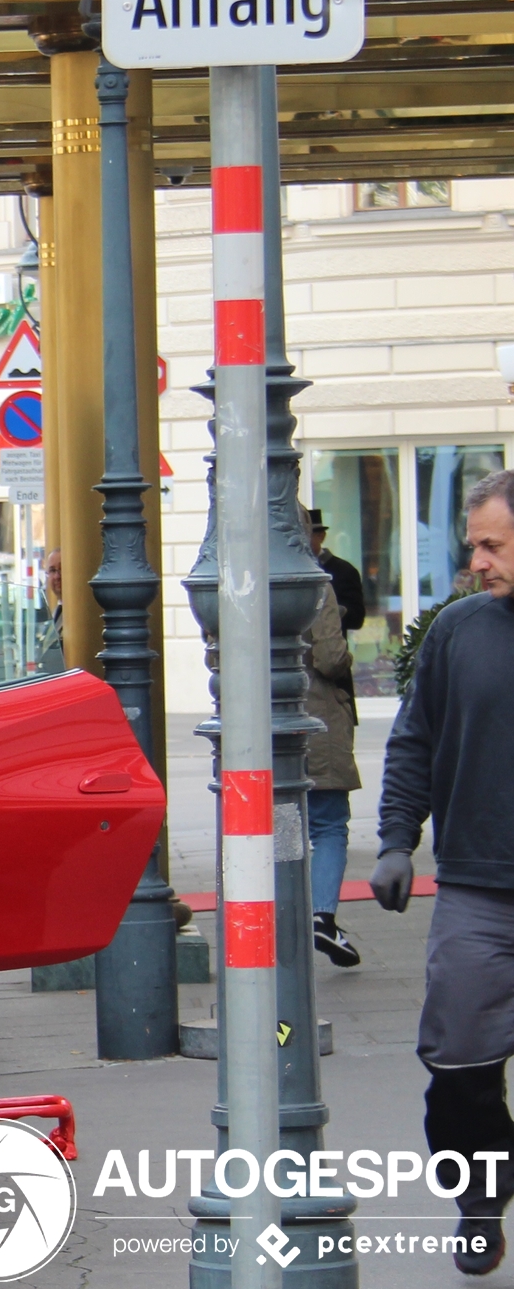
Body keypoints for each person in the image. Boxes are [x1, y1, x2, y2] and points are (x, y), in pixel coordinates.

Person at [371, 467, 514, 1276]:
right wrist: (397, 839)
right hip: (478, 892)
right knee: (459, 1065)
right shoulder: (458, 631)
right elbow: (415, 739)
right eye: (473, 547)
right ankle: (479, 1200)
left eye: (492, 545)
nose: (478, 563)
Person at [304, 582, 361, 966]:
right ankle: (321, 917)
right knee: (328, 825)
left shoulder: (233, 571)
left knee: (264, 828)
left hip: (252, 721)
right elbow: (329, 657)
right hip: (314, 717)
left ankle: (271, 924)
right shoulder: (314, 583)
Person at [309, 506, 368, 632]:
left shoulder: (344, 571)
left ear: (321, 536)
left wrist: (330, 611)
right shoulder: (294, 569)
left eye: (307, 535)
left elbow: (356, 619)